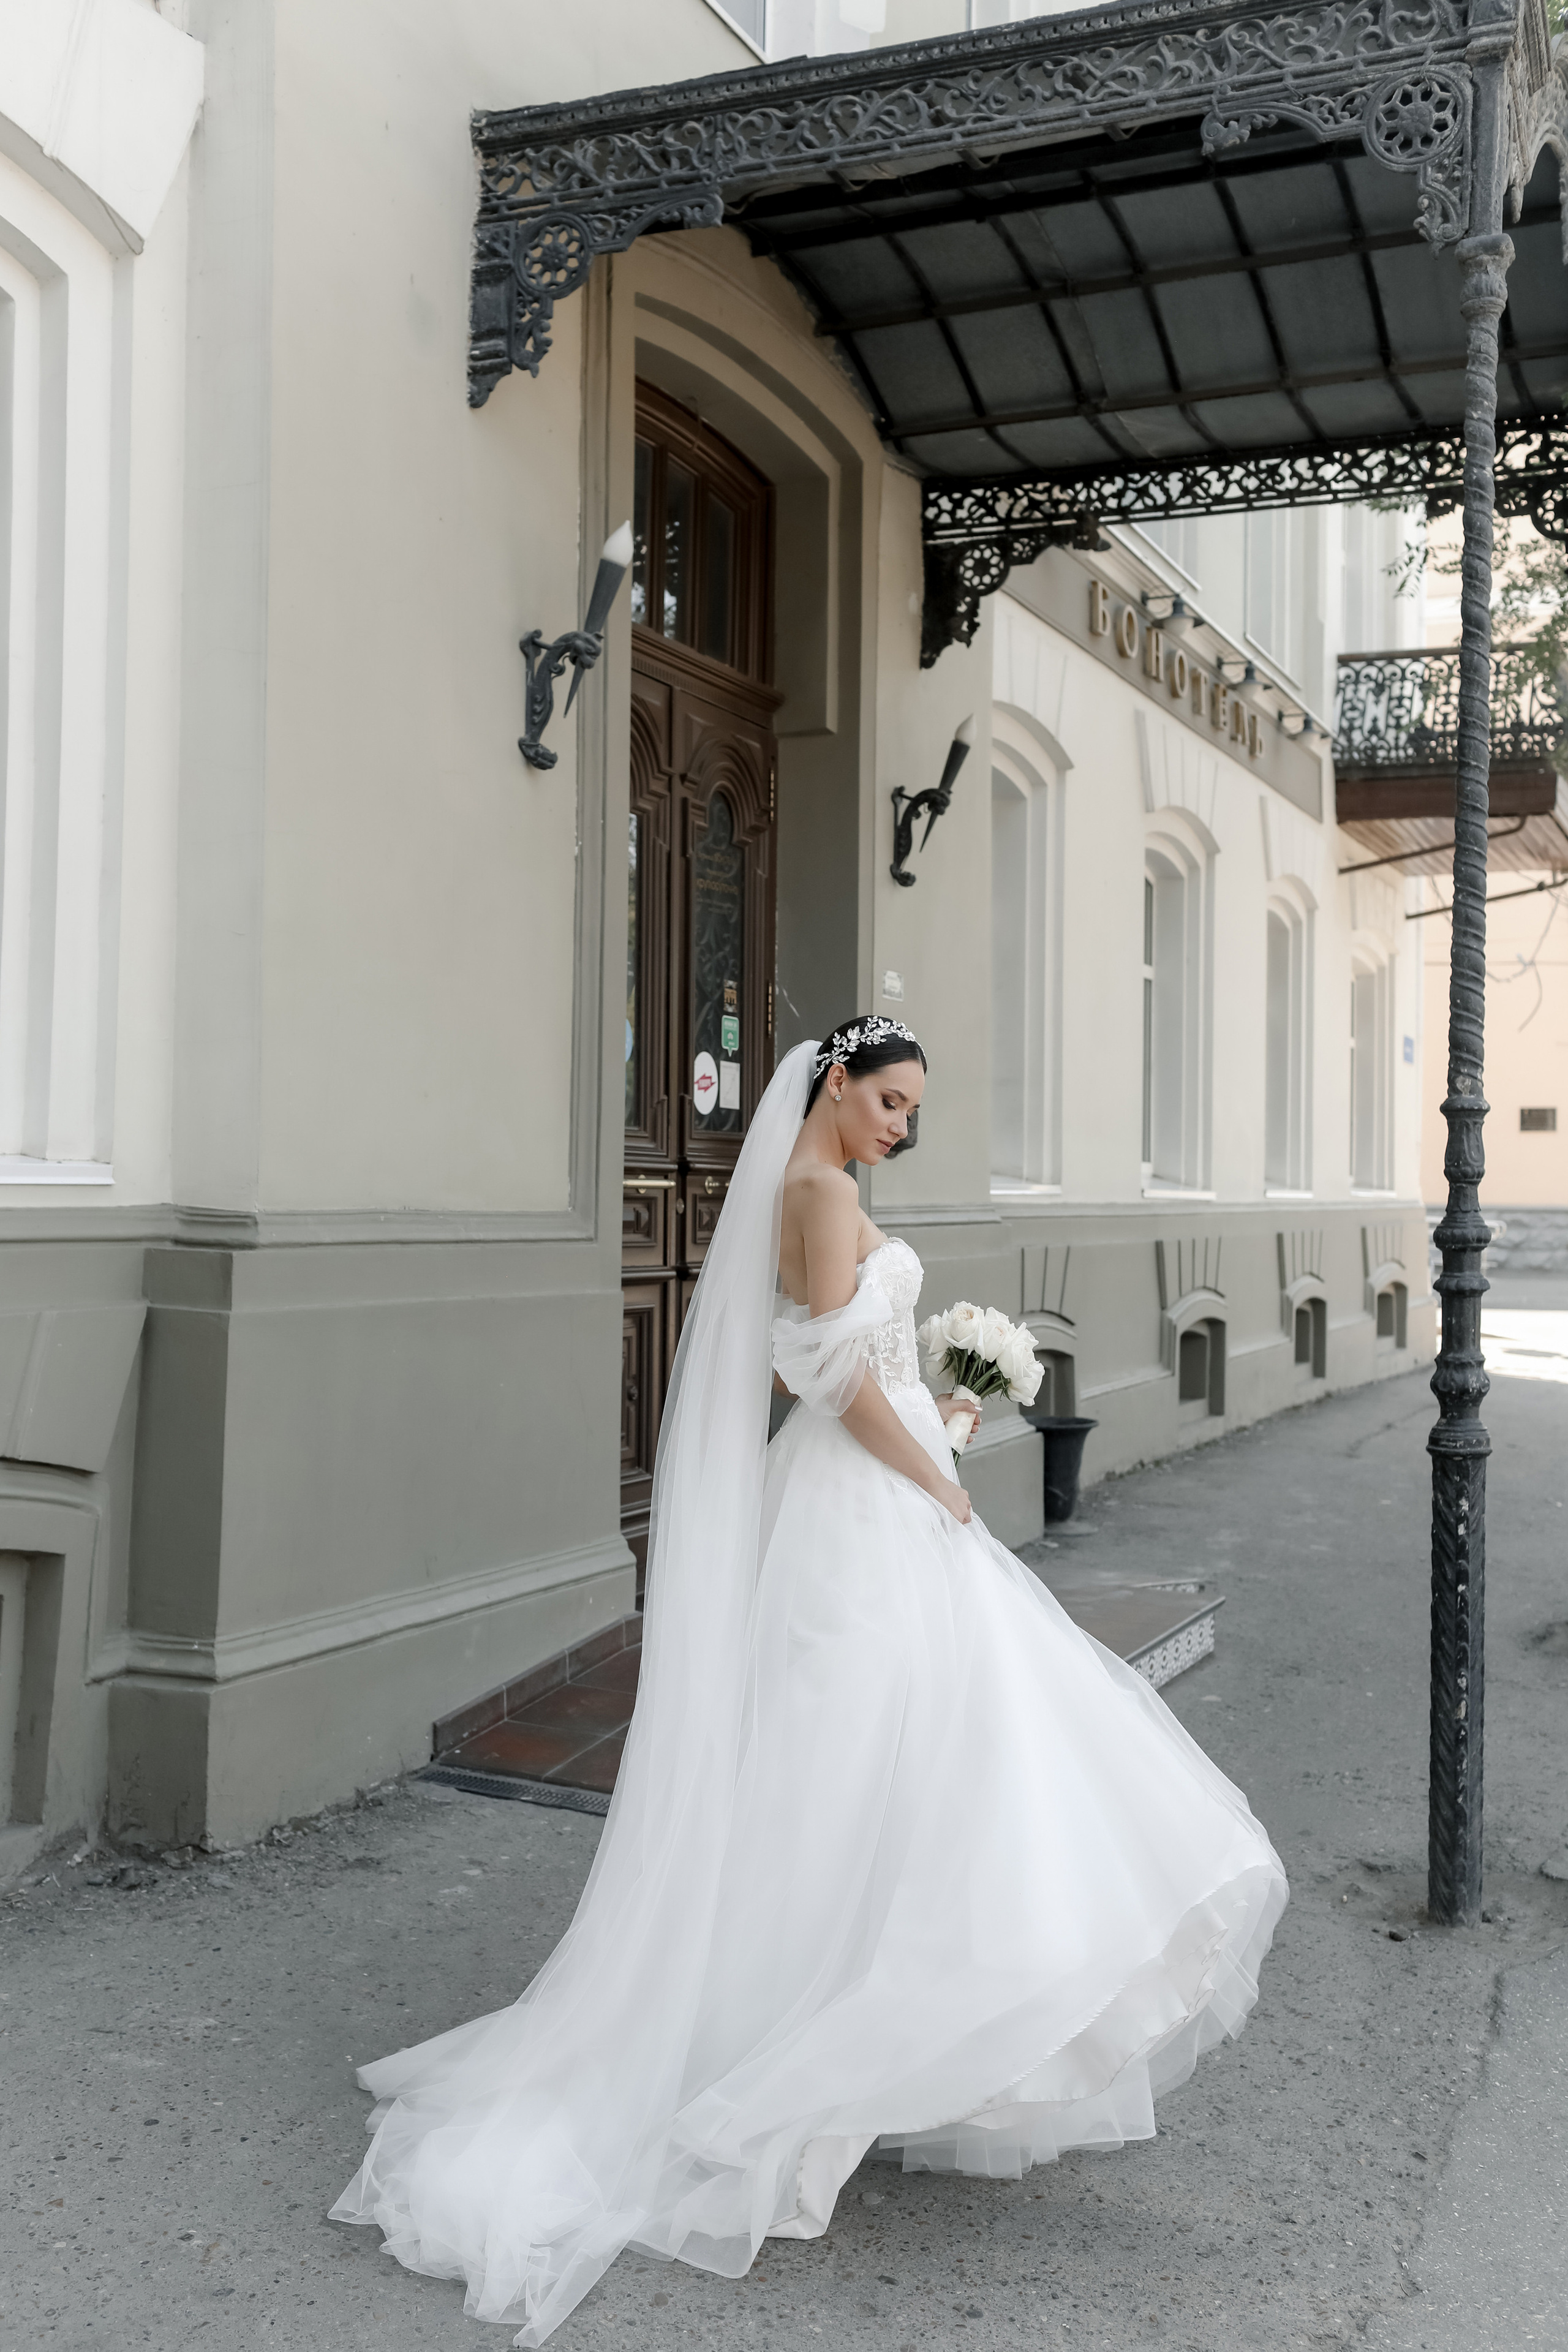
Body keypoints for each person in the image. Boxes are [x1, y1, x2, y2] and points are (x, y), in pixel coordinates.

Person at [331, 1020, 1287, 2346]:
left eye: (911, 1111)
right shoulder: (815, 1192)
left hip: (872, 1497)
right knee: (851, 1775)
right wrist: (933, 1479)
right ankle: (792, 2075)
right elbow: (833, 1383)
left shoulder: (826, 1190)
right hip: (859, 1515)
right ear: (832, 1083)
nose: (899, 1124)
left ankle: (868, 2048)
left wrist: (943, 1412)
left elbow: (854, 1360)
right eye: (887, 1100)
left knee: (912, 1763)